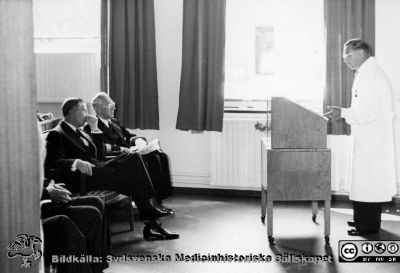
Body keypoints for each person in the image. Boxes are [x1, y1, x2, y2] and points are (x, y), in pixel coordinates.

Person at [44, 97, 178, 240]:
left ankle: (151, 223)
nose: (87, 114)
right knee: (133, 171)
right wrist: (75, 162)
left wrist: (95, 129)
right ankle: (151, 214)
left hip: (97, 168)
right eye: (83, 110)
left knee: (133, 159)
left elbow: (98, 154)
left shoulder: (80, 131)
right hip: (82, 177)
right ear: (71, 112)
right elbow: (52, 163)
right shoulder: (57, 133)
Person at [325, 38, 397, 236]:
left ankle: (367, 227)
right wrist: (345, 112)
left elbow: (368, 112)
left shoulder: (370, 75)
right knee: (363, 182)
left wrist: (343, 112)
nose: (344, 60)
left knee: (368, 183)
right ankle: (361, 221)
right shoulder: (365, 73)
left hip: (372, 139)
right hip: (367, 137)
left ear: (360, 52)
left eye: (347, 55)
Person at [88, 93, 173, 213]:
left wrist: (138, 140)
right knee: (152, 160)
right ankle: (151, 203)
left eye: (114, 105)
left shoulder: (114, 121)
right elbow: (100, 149)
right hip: (118, 161)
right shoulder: (92, 126)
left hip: (131, 155)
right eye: (110, 105)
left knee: (160, 156)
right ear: (97, 109)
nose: (114, 108)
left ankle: (159, 200)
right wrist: (123, 150)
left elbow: (129, 136)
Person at [41, 180, 109, 273]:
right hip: (38, 211)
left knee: (96, 202)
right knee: (65, 221)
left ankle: (97, 268)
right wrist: (47, 193)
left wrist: (50, 186)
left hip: (46, 202)